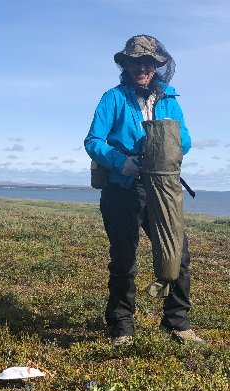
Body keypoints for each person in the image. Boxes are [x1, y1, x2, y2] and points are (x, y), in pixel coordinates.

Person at [84, 35, 205, 347]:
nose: (142, 67)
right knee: (124, 258)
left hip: (162, 187)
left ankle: (176, 322)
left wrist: (165, 146)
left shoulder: (170, 99)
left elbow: (186, 138)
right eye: (135, 61)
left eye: (148, 62)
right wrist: (120, 161)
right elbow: (93, 141)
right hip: (122, 188)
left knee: (177, 253)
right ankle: (121, 327)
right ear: (127, 65)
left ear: (156, 66)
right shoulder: (112, 98)